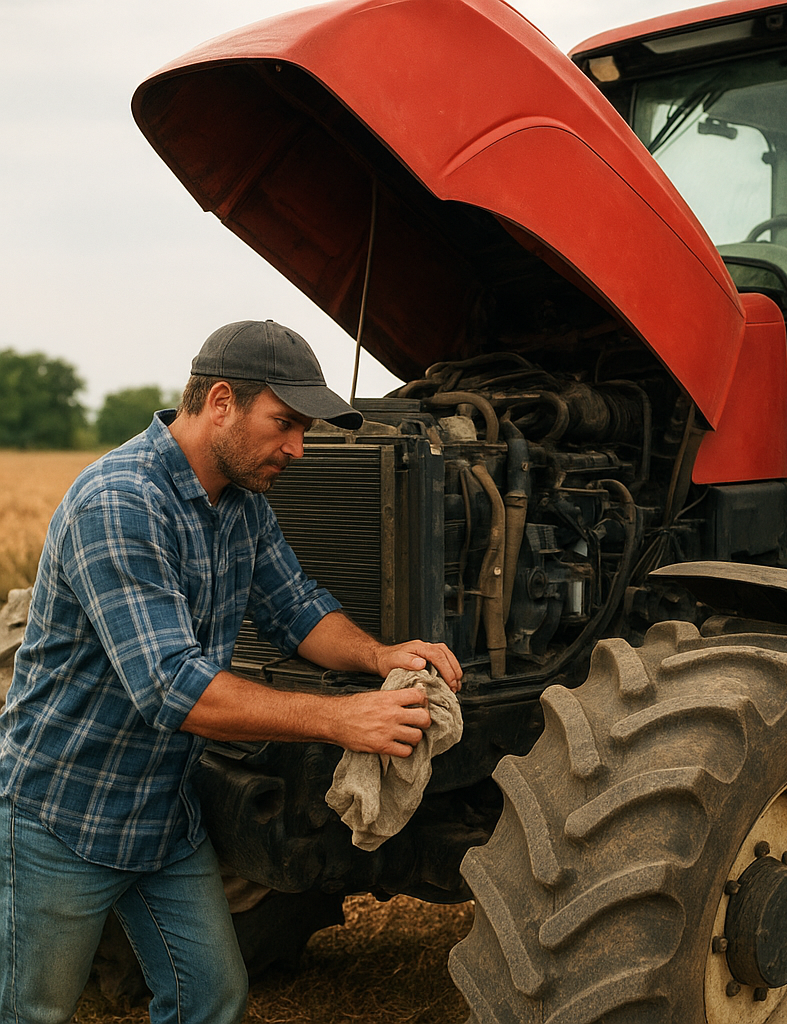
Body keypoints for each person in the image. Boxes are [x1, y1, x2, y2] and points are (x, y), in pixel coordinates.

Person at [0, 320, 462, 1024]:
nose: (297, 448)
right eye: (284, 423)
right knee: (30, 1012)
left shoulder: (241, 506)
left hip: (161, 814)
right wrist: (344, 719)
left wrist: (381, 656)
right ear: (220, 401)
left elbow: (300, 611)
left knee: (211, 997)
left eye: (303, 429)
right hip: (64, 817)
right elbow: (171, 686)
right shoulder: (120, 503)